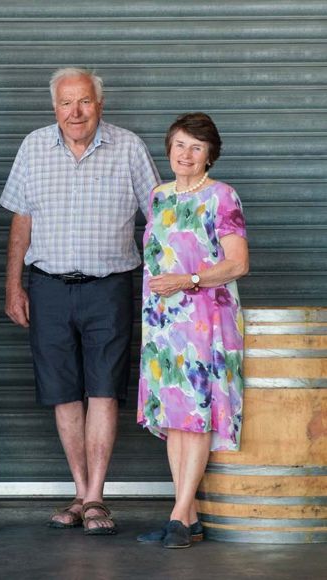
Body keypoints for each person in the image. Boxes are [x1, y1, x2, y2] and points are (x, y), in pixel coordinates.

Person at [1, 68, 160, 535]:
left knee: (104, 390)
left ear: (100, 104)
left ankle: (95, 498)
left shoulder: (128, 147)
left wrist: (162, 285)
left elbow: (157, 220)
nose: (75, 111)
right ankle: (78, 489)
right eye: (66, 103)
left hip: (109, 287)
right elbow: (21, 223)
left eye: (84, 102)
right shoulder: (33, 146)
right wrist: (14, 286)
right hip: (47, 285)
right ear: (55, 108)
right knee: (63, 392)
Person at [136, 112, 249, 548]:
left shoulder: (222, 197)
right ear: (169, 148)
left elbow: (238, 263)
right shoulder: (158, 196)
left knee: (196, 415)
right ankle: (190, 517)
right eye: (180, 144)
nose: (186, 154)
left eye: (196, 147)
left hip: (205, 319)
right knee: (175, 418)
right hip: (163, 321)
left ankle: (178, 516)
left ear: (210, 156)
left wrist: (189, 281)